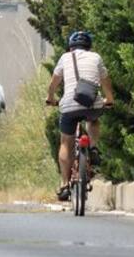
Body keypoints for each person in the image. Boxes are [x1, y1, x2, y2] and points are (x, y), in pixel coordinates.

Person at [45, 31, 114, 202]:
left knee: (65, 142)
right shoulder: (96, 57)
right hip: (91, 102)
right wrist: (109, 99)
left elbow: (54, 83)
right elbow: (105, 80)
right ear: (89, 46)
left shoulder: (64, 58)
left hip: (68, 105)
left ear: (70, 46)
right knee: (93, 119)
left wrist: (50, 98)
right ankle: (93, 147)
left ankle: (64, 184)